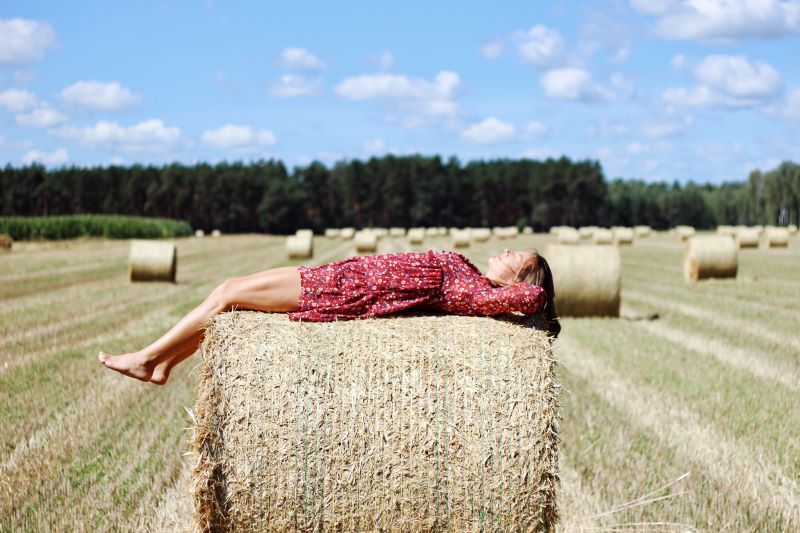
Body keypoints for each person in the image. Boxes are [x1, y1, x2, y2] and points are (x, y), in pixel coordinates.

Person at [99, 248, 560, 385]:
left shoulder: (477, 291)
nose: (505, 249)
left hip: (343, 291)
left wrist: (534, 291)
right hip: (343, 276)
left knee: (226, 293)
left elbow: (531, 300)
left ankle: (148, 359)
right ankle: (164, 364)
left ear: (522, 276)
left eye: (516, 255)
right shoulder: (473, 276)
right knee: (231, 300)